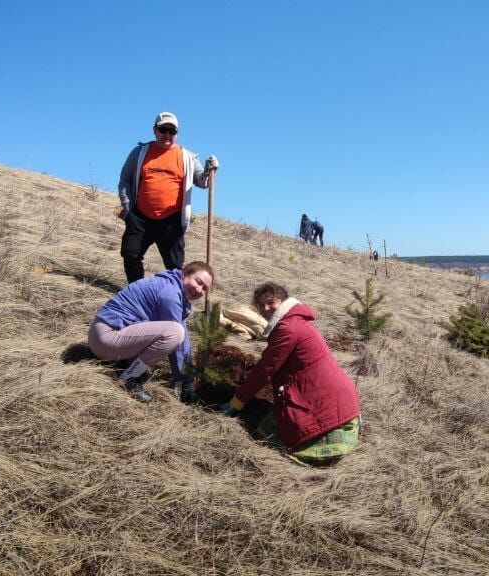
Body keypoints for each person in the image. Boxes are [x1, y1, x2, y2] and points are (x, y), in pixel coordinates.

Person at [224, 282, 361, 466]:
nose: (265, 309)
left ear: (283, 301)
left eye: (270, 302)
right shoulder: (296, 321)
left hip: (327, 399)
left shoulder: (288, 328)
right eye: (261, 306)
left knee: (269, 435)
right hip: (339, 396)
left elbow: (265, 370)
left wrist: (236, 403)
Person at [86, 261, 213, 403]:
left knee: (176, 331)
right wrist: (184, 382)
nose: (199, 289)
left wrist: (187, 378)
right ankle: (129, 377)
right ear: (185, 273)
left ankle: (126, 363)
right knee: (174, 333)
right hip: (105, 337)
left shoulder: (175, 289)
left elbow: (185, 341)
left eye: (204, 288)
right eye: (198, 281)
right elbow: (178, 340)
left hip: (106, 335)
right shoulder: (170, 294)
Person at [118, 112, 218, 283]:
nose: (167, 134)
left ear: (177, 134)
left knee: (175, 266)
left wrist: (209, 171)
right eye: (163, 129)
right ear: (155, 130)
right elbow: (125, 179)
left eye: (171, 131)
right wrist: (128, 209)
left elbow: (203, 182)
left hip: (171, 220)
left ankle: (175, 298)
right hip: (140, 217)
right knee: (130, 254)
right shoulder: (140, 153)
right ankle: (137, 291)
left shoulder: (187, 157)